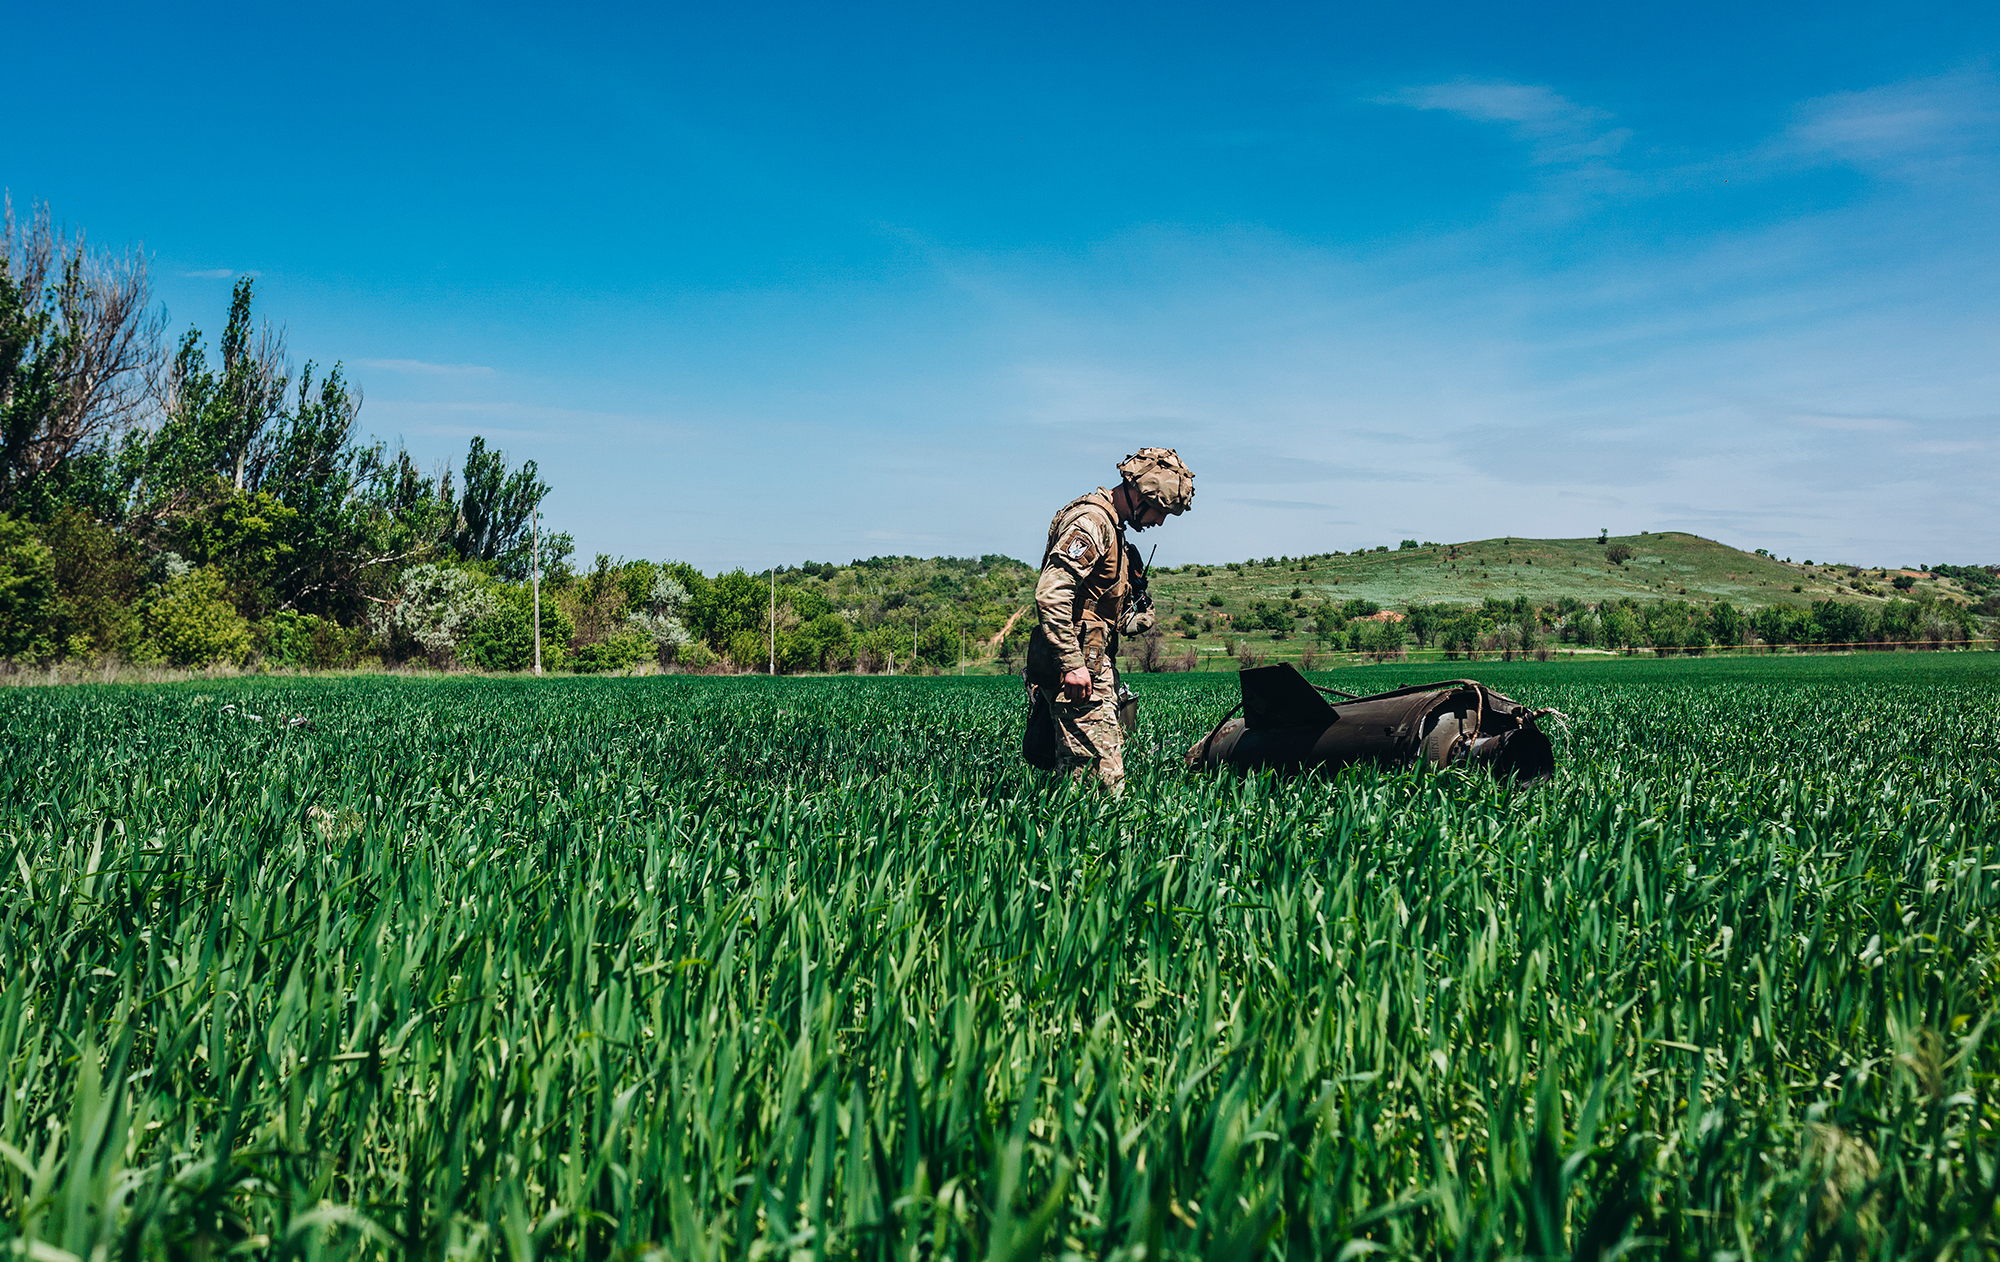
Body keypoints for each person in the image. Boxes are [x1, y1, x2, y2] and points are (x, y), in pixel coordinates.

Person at [1024, 448, 1195, 792]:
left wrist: (1131, 620)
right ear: (1138, 494)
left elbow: (1089, 609)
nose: (1159, 522)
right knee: (1096, 783)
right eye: (1159, 511)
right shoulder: (1092, 522)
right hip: (1077, 672)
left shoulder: (1113, 528)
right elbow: (1052, 593)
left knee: (1099, 776)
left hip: (1092, 667)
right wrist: (1072, 664)